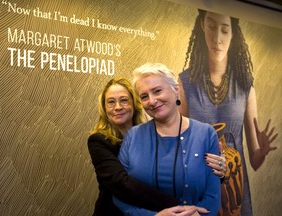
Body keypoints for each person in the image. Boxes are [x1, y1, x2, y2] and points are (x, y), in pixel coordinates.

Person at [178, 9, 278, 216]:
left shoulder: (245, 86)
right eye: (212, 27)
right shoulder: (186, 82)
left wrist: (263, 150)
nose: (217, 39)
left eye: (225, 30)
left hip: (236, 190)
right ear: (202, 26)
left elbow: (255, 161)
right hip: (200, 185)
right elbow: (180, 147)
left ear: (233, 34)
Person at [114, 63, 221, 216]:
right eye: (144, 96)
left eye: (157, 91)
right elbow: (120, 195)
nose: (151, 101)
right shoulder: (133, 137)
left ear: (175, 90)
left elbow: (213, 195)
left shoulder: (205, 134)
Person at [88, 77, 201, 216]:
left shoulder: (153, 135)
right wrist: (177, 205)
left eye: (124, 100)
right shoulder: (98, 141)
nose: (117, 107)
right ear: (104, 108)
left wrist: (216, 168)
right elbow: (120, 183)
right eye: (111, 102)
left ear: (135, 104)